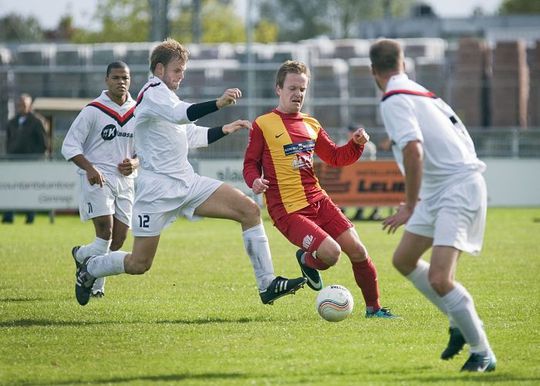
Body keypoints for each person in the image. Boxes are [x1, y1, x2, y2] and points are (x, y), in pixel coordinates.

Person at [72, 38, 306, 307]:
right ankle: (90, 269)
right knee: (139, 263)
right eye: (177, 70)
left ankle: (267, 284)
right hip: (156, 192)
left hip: (187, 183)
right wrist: (217, 104)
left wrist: (224, 129)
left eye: (183, 71)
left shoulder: (168, 96)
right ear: (159, 70)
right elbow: (180, 114)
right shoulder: (151, 92)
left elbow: (190, 134)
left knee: (249, 210)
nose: (181, 76)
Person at [369, 39, 496, 372]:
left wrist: (410, 204)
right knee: (404, 259)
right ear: (404, 64)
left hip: (456, 190)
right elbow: (460, 137)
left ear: (373, 72)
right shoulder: (424, 94)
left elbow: (413, 150)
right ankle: (457, 320)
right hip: (443, 188)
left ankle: (482, 351)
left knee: (440, 278)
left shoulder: (394, 100)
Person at [243, 60, 397, 319]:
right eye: (292, 88)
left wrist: (356, 144)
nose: (298, 94)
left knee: (358, 251)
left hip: (318, 200)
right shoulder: (264, 124)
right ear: (278, 89)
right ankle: (307, 260)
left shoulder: (311, 124)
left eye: (302, 89)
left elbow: (337, 157)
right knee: (331, 253)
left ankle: (375, 309)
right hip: (288, 211)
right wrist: (254, 181)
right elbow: (250, 163)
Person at [61, 61, 138, 297]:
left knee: (119, 240)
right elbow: (69, 146)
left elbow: (146, 149)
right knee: (105, 232)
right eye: (115, 77)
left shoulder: (139, 111)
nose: (121, 82)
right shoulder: (93, 110)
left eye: (124, 78)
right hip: (98, 179)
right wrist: (90, 168)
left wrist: (135, 163)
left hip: (126, 182)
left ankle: (81, 255)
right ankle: (96, 287)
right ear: (106, 80)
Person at [2, 93, 48, 224]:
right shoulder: (11, 122)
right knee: (11, 189)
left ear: (30, 106)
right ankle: (8, 216)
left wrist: (34, 158)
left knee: (29, 190)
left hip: (30, 163)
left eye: (24, 104)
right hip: (14, 162)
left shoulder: (37, 121)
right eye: (19, 105)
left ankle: (30, 217)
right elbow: (8, 141)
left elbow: (44, 143)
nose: (21, 107)